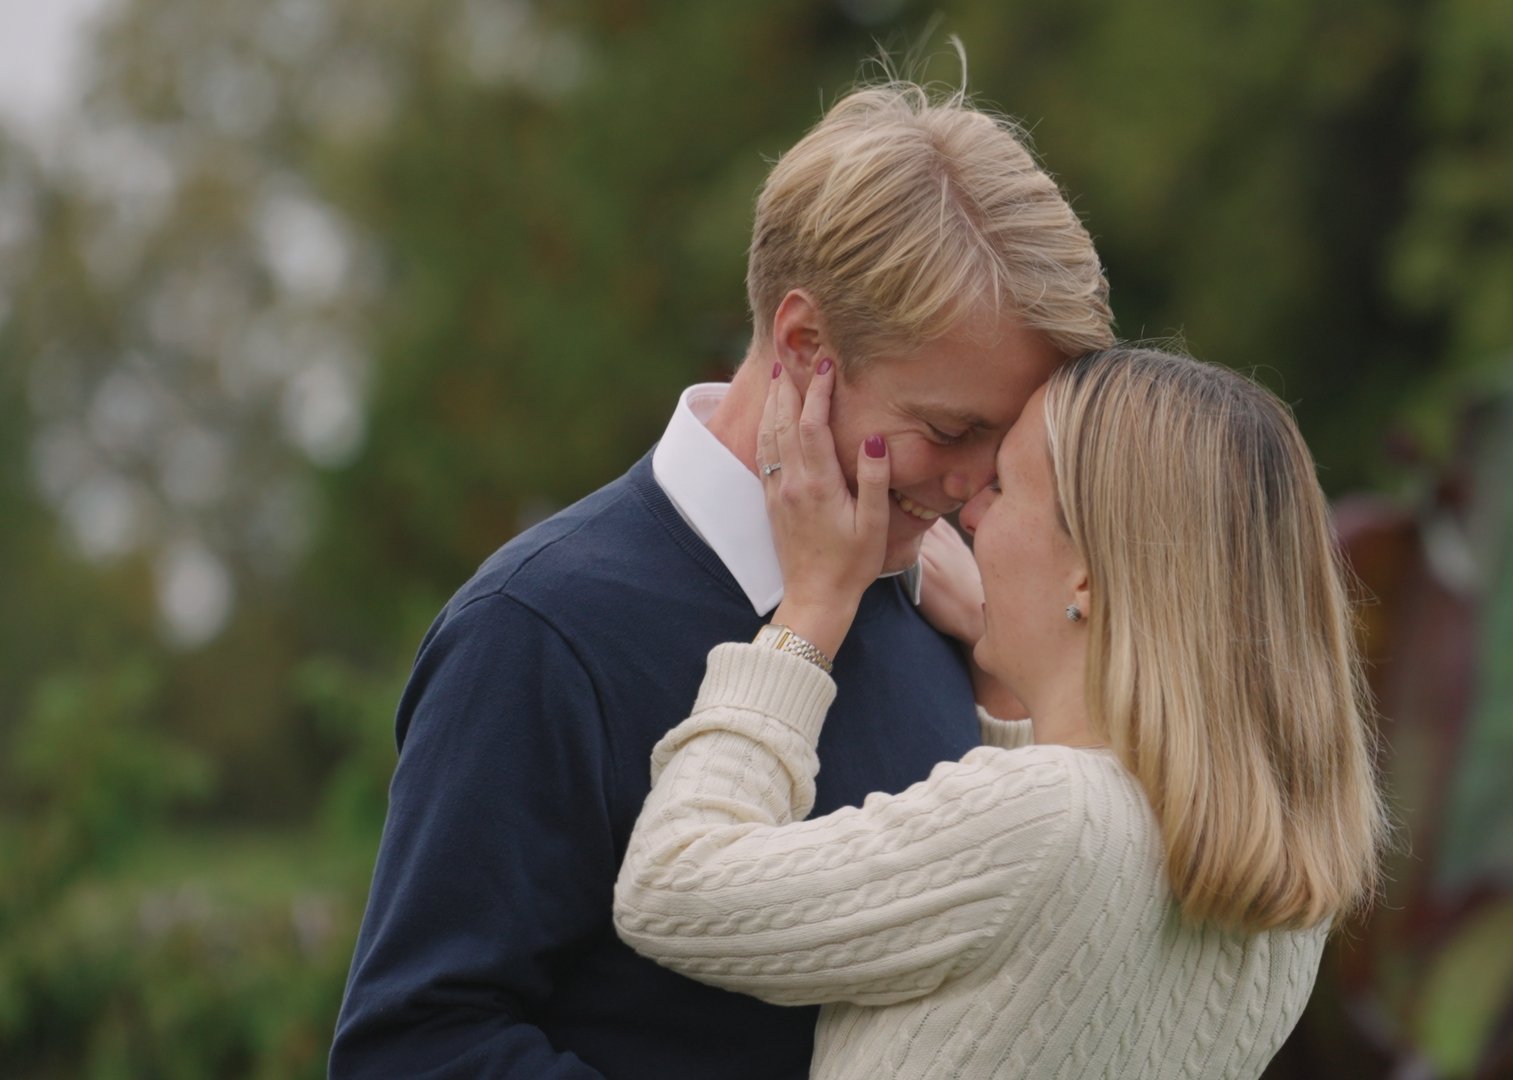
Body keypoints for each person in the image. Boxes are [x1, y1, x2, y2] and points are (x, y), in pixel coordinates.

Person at [330, 72, 1114, 1078]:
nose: (976, 489)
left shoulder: (939, 610)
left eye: (1005, 441)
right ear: (802, 345)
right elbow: (414, 1048)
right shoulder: (536, 628)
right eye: (953, 431)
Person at [612, 346, 1389, 1077]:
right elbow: (1026, 991)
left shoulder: (1045, 820)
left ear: (1085, 575)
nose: (970, 513)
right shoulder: (1285, 900)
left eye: (1005, 486)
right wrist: (1012, 670)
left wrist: (810, 610)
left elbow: (673, 886)